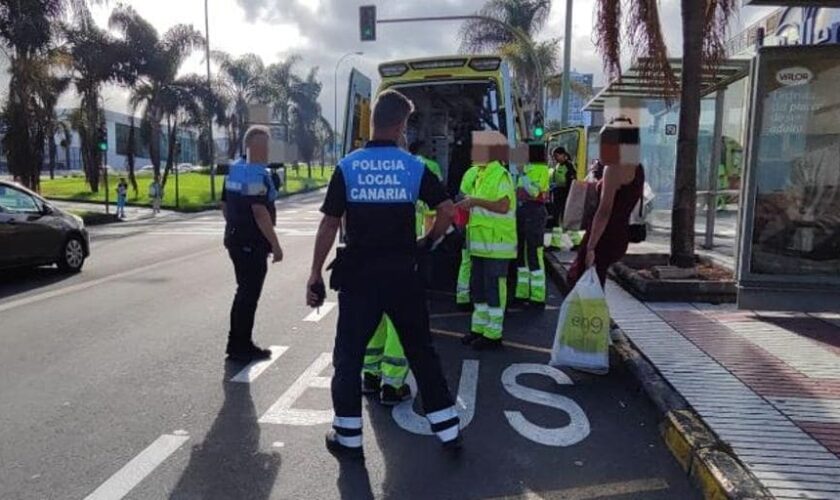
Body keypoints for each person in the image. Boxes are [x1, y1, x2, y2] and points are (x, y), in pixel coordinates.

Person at [307, 90, 461, 459]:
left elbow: (330, 224)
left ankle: (348, 440)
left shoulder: (348, 166)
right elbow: (447, 210)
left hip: (359, 279)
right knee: (422, 354)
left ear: (373, 121)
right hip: (403, 276)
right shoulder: (413, 167)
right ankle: (449, 433)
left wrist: (314, 274)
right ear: (401, 125)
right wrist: (427, 242)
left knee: (348, 358)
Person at [221, 126, 283, 362]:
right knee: (248, 294)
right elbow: (260, 212)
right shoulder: (255, 174)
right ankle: (240, 345)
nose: (267, 150)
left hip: (236, 240)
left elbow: (225, 206)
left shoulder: (235, 169)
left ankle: (237, 342)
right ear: (253, 147)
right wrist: (275, 245)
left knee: (243, 291)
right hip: (251, 244)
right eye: (264, 145)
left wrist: (235, 226)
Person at [456, 133, 517, 350]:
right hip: (481, 244)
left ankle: (493, 334)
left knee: (493, 289)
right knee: (479, 289)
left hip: (496, 245)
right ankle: (479, 329)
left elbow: (503, 206)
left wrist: (474, 201)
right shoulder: (480, 174)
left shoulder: (500, 174)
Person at [568, 133, 645, 289]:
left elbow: (604, 211)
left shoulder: (614, 168)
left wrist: (590, 247)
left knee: (580, 281)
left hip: (604, 235)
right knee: (595, 283)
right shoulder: (638, 168)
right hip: (620, 234)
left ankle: (591, 314)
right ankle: (596, 313)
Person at [514, 144, 550, 308]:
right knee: (521, 254)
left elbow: (534, 192)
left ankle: (537, 296)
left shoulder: (540, 169)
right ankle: (522, 294)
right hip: (523, 212)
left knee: (534, 253)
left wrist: (523, 174)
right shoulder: (526, 169)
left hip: (535, 212)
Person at [455, 165, 480, 307]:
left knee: (466, 261)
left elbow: (460, 198)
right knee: (479, 264)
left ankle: (462, 296)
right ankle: (476, 296)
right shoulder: (489, 175)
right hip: (480, 227)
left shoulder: (469, 172)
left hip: (467, 224)